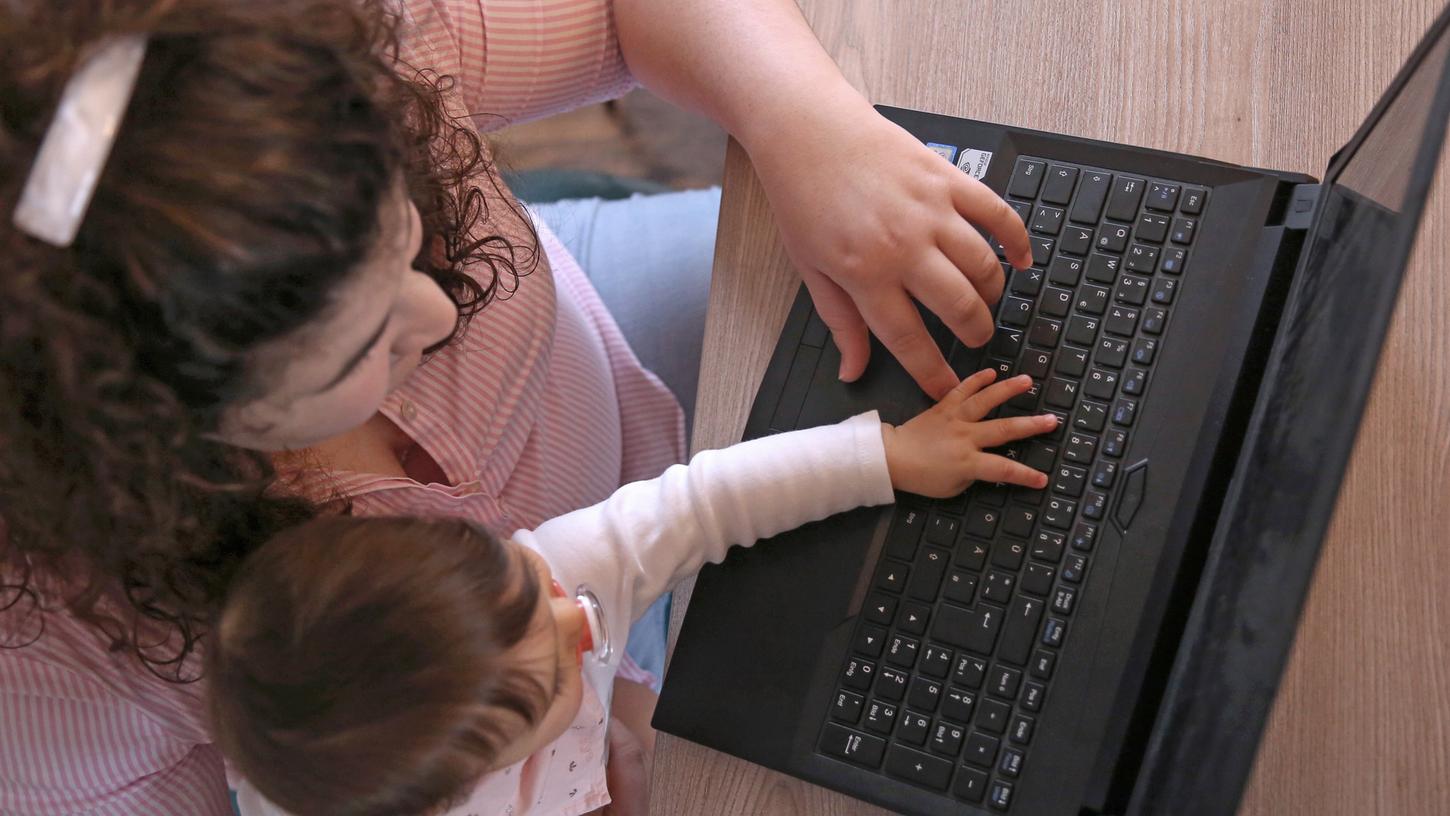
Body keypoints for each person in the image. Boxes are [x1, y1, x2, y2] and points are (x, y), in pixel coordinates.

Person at [0, 1, 1029, 813]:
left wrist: (804, 126)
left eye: (404, 230)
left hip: (634, 407)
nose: (437, 305)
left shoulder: (319, 54)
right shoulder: (50, 651)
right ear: (154, 434)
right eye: (368, 348)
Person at [208, 372, 1057, 816]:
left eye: (527, 580)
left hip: (633, 728)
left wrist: (888, 457)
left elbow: (702, 503)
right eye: (549, 679)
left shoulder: (563, 575)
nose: (577, 613)